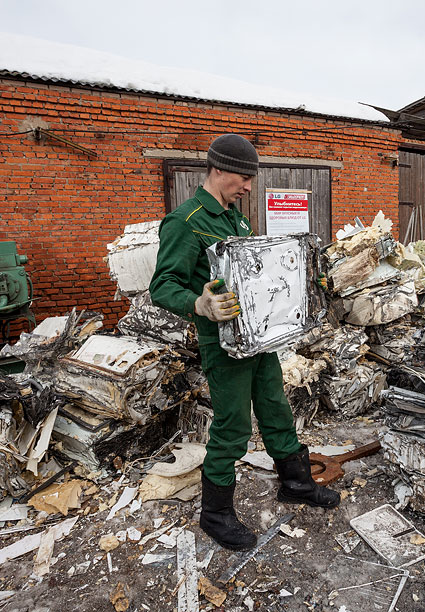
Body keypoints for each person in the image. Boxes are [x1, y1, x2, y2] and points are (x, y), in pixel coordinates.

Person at [149, 134, 340, 551]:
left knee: (276, 408)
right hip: (223, 344)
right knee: (233, 427)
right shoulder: (186, 220)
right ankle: (215, 514)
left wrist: (305, 285)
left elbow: (259, 276)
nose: (250, 186)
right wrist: (198, 303)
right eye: (244, 177)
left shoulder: (236, 220)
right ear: (218, 169)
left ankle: (295, 482)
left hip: (259, 339)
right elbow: (162, 285)